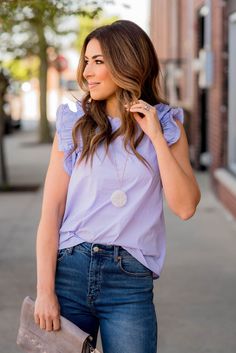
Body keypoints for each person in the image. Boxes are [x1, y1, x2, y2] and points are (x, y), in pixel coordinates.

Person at [34, 20, 201, 353]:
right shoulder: (75, 125)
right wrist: (45, 291)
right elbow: (51, 213)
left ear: (126, 62)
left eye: (98, 61)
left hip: (130, 282)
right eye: (86, 61)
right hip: (70, 270)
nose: (87, 72)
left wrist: (154, 136)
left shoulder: (166, 127)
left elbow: (185, 207)